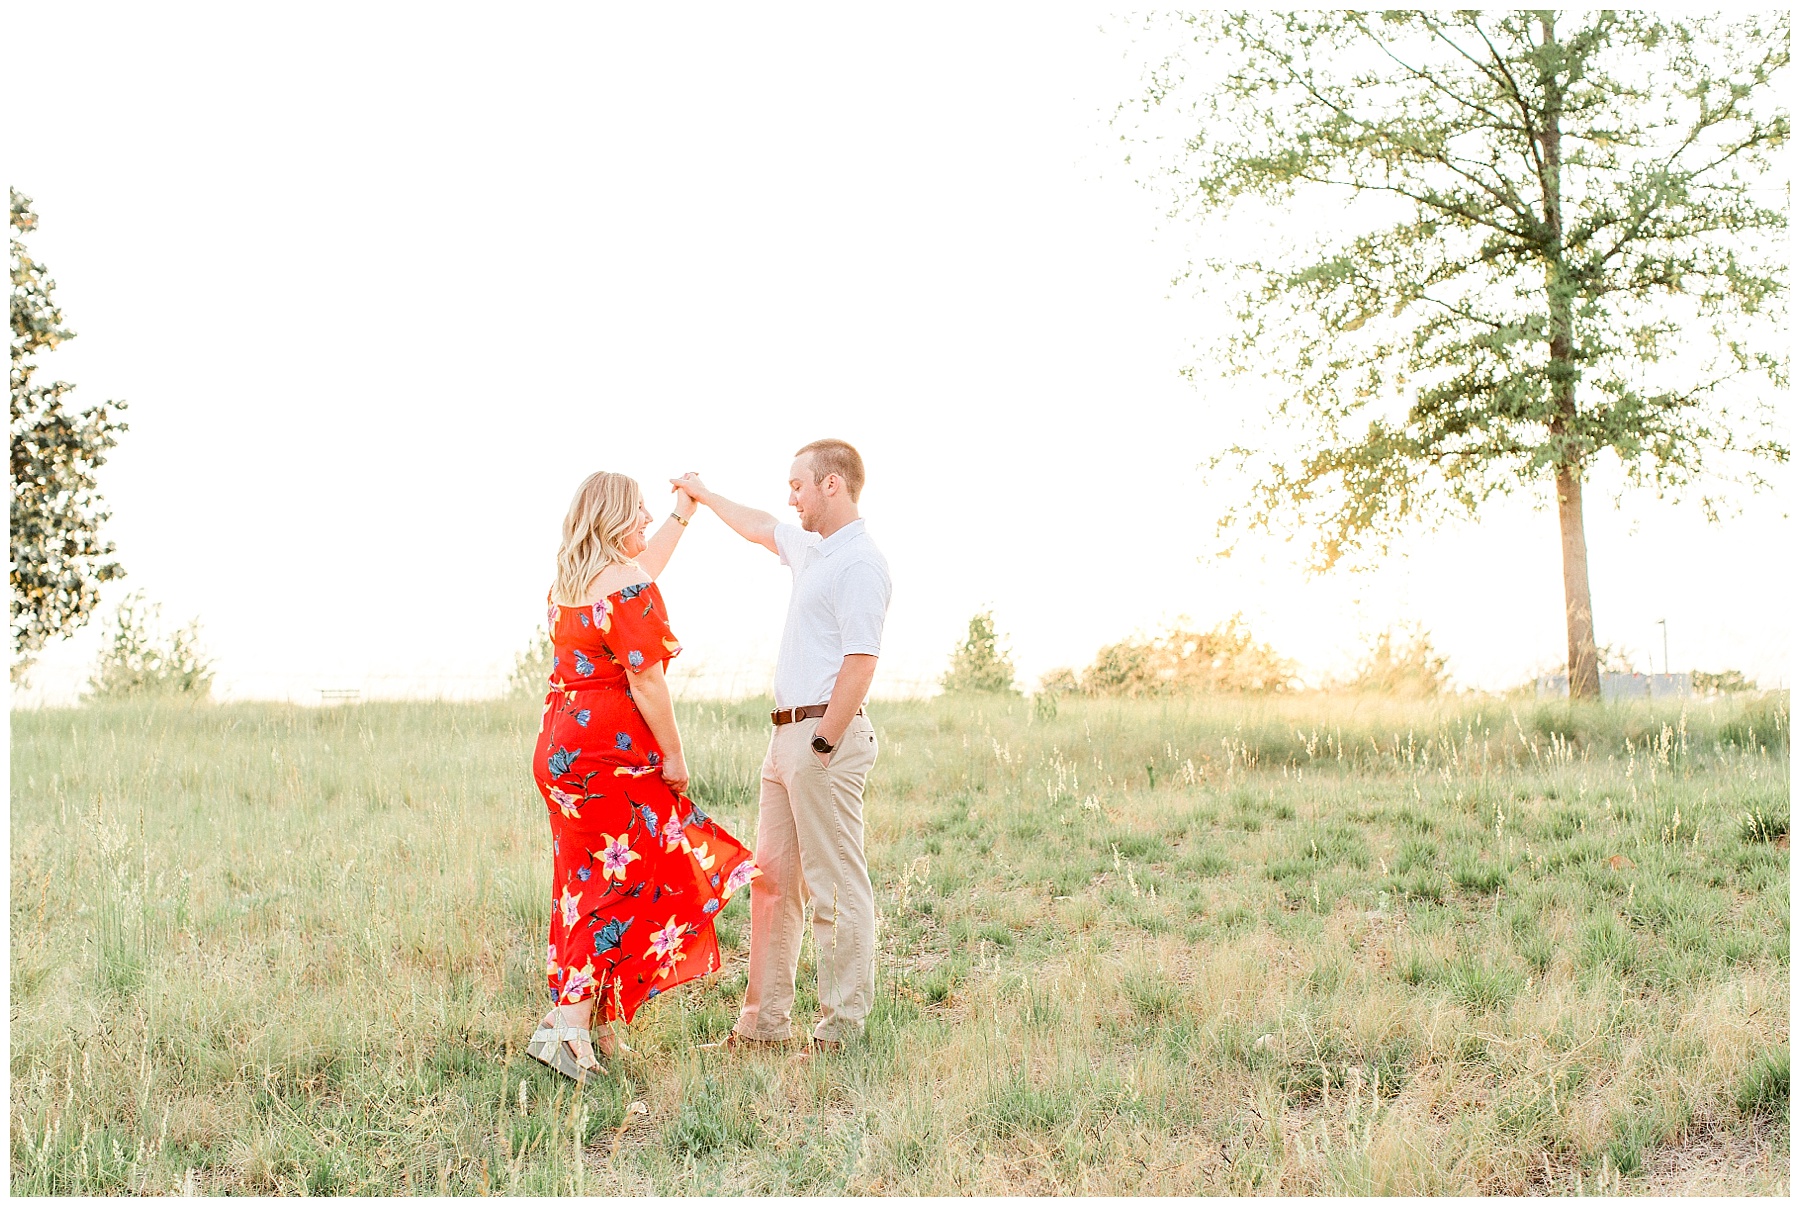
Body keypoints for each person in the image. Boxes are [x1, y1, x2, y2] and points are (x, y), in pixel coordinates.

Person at [527, 470, 759, 1082]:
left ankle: (585, 1023)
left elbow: (642, 569)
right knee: (621, 881)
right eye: (640, 510)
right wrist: (675, 756)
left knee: (584, 883)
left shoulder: (570, 584)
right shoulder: (624, 586)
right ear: (612, 518)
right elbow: (647, 679)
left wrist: (686, 512)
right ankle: (568, 1025)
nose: (648, 518)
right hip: (611, 756)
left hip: (562, 752)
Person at [672, 438, 891, 1051]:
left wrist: (823, 742)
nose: (791, 497)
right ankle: (763, 1026)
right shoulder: (814, 550)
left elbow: (861, 660)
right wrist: (703, 495)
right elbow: (760, 527)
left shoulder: (861, 563)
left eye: (798, 485)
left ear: (831, 484)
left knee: (835, 887)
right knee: (771, 882)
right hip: (785, 739)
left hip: (822, 737)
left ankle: (841, 1030)